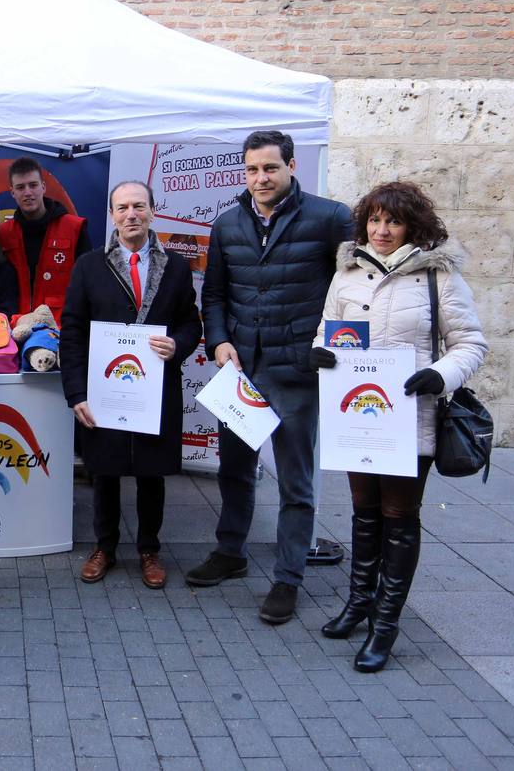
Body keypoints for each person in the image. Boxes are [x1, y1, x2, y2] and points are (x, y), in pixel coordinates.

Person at [313, 181, 486, 672]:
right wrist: (320, 352)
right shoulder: (347, 273)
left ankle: (385, 626)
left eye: (392, 221)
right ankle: (358, 603)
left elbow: (470, 343)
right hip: (357, 415)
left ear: (413, 226)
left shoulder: (439, 278)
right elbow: (327, 327)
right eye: (374, 219)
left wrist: (441, 373)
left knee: (399, 517)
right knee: (363, 512)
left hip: (410, 420)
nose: (381, 230)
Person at [187, 130, 353, 625]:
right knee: (234, 470)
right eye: (252, 170)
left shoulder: (331, 218)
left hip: (298, 371)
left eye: (270, 169)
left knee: (296, 483)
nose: (261, 178)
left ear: (291, 166)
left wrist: (331, 352)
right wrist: (217, 342)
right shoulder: (227, 223)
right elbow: (213, 294)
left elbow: (351, 292)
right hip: (241, 370)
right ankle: (231, 552)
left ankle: (288, 577)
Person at [61, 181, 202, 589]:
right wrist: (76, 393)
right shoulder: (89, 265)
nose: (131, 215)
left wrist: (178, 344)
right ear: (113, 215)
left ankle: (149, 549)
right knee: (103, 471)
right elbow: (72, 331)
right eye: (122, 208)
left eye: (139, 206)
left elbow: (190, 322)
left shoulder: (175, 266)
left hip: (154, 389)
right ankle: (104, 546)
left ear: (152, 211)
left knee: (150, 472)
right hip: (103, 388)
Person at [0, 156, 92, 320]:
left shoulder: (74, 228)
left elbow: (88, 284)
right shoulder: (3, 233)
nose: (28, 192)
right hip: (14, 325)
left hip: (59, 327)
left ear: (43, 187)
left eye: (33, 185)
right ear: (12, 192)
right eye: (20, 187)